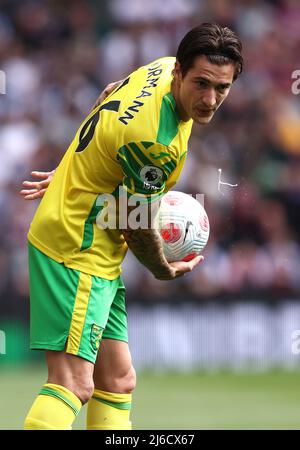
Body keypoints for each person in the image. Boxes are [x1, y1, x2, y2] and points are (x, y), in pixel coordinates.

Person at [21, 23, 243, 430]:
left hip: (97, 247)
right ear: (179, 72)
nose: (210, 99)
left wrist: (76, 167)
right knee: (73, 383)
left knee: (118, 381)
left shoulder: (156, 69)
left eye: (222, 88)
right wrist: (164, 269)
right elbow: (135, 223)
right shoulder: (154, 144)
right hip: (77, 248)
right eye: (201, 84)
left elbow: (108, 95)